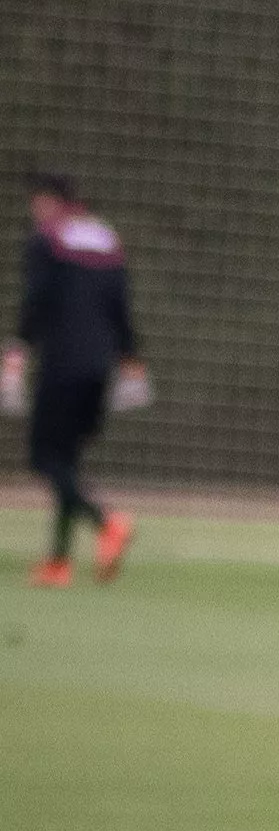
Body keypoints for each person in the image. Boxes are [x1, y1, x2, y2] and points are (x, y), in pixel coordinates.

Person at [10, 174, 149, 587]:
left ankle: (107, 520)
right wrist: (130, 358)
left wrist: (17, 350)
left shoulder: (47, 240)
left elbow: (37, 298)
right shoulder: (107, 240)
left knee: (45, 458)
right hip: (99, 366)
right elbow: (120, 306)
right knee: (67, 460)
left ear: (52, 202)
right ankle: (58, 562)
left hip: (61, 363)